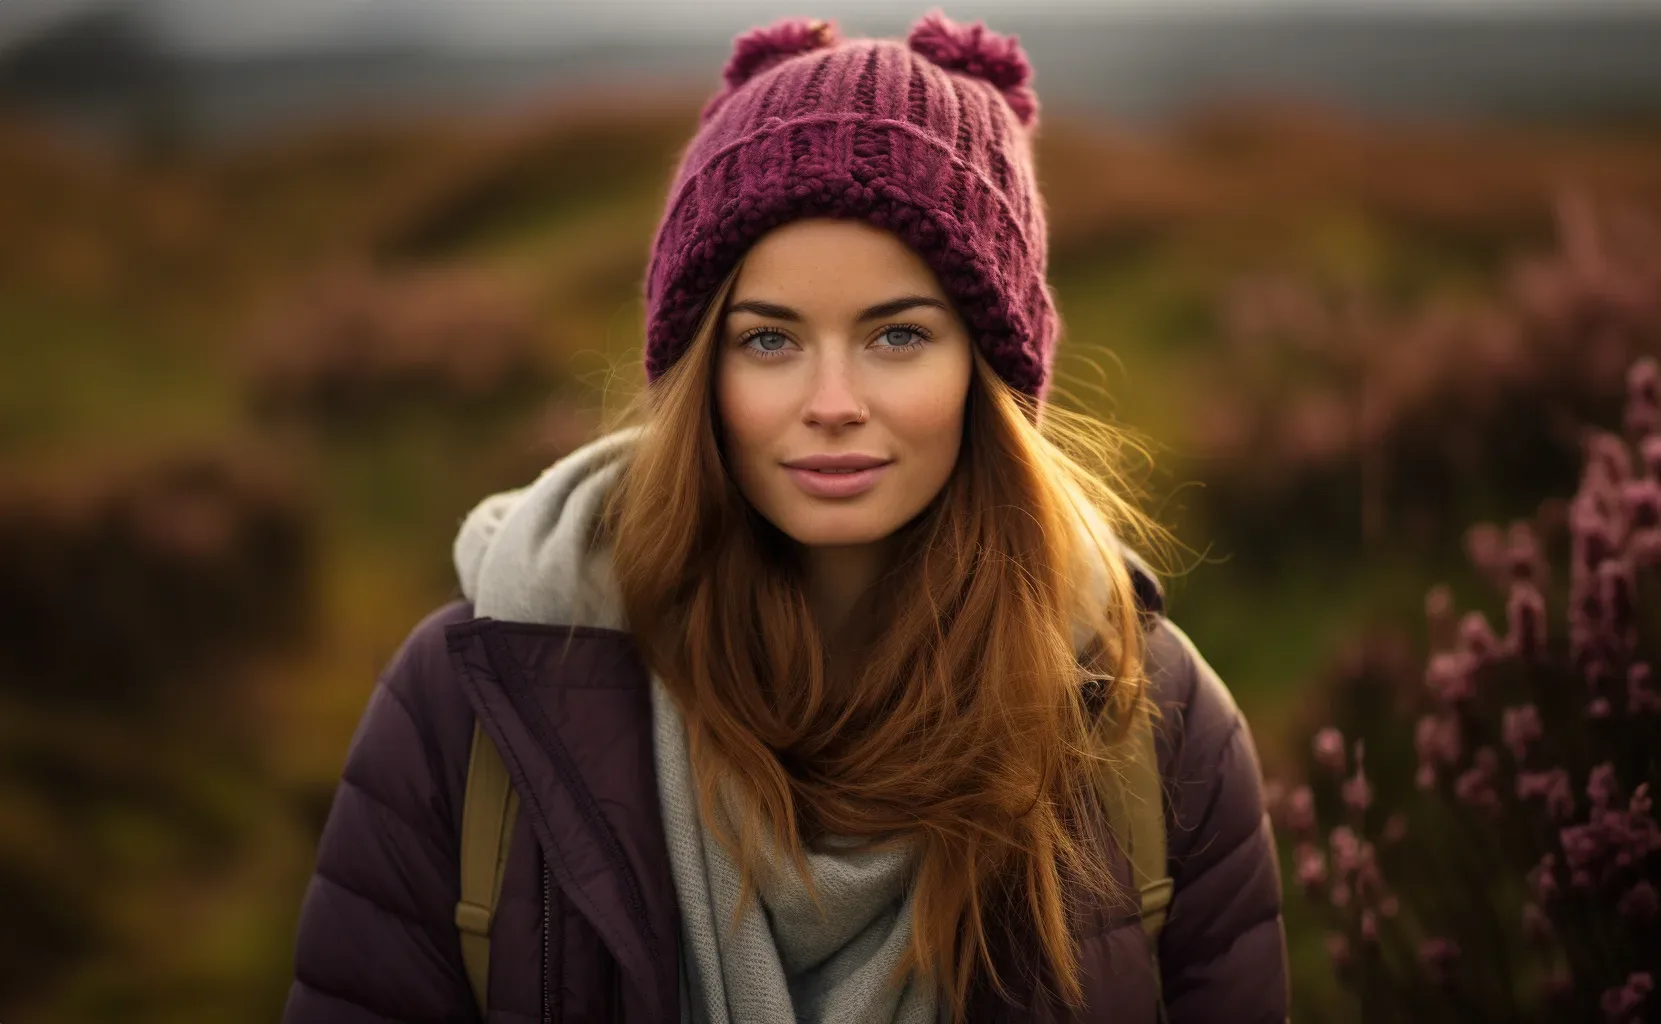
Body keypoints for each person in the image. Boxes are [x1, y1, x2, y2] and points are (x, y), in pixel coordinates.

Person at [280, 9, 1289, 1023]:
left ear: (987, 372)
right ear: (699, 371)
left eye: (896, 335)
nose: (832, 400)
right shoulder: (467, 705)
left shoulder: (1144, 720)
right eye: (768, 341)